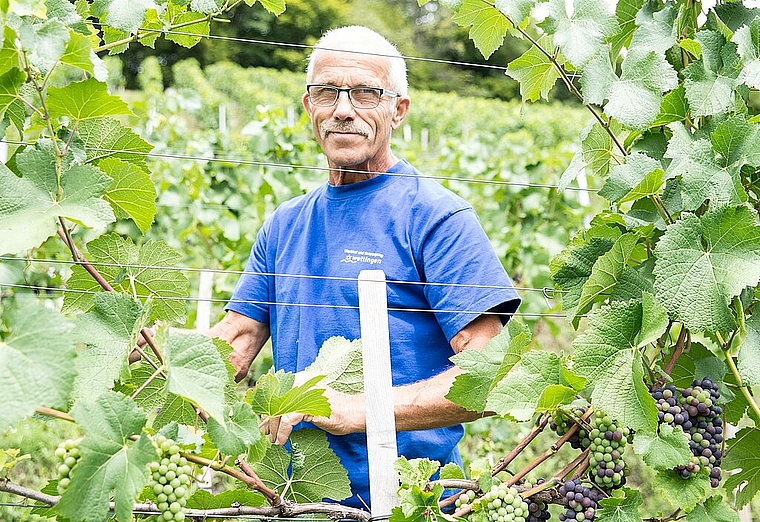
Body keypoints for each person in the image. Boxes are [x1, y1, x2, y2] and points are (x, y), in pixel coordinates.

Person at [209, 25, 521, 510]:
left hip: (409, 504)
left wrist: (360, 410)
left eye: (365, 93)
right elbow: (237, 339)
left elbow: (492, 378)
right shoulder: (285, 223)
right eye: (327, 92)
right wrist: (165, 358)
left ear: (398, 109)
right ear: (309, 106)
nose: (343, 109)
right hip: (297, 498)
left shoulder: (437, 217)